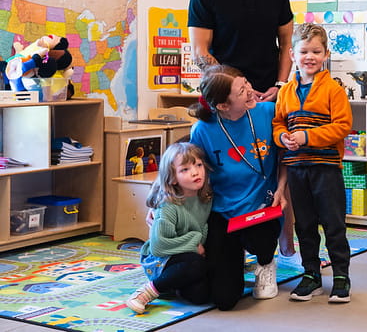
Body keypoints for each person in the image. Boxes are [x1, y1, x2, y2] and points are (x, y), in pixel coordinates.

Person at [188, 65, 288, 310]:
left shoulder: (268, 112)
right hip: (224, 212)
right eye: (242, 90)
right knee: (224, 299)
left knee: (261, 239)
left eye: (247, 84)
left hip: (263, 205)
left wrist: (282, 189)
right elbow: (188, 171)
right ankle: (234, 261)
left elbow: (286, 157)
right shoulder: (202, 130)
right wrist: (162, 203)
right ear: (223, 105)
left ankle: (265, 263)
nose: (251, 91)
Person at [273, 23, 353, 303]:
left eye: (316, 51)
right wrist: (283, 137)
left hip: (326, 168)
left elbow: (342, 125)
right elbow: (278, 122)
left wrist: (308, 136)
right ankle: (311, 274)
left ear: (326, 54)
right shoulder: (286, 91)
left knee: (333, 224)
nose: (310, 56)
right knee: (304, 224)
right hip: (296, 169)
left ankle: (341, 275)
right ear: (293, 55)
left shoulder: (333, 90)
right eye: (304, 51)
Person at [126, 142, 213, 314]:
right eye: (185, 170)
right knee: (195, 263)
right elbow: (159, 247)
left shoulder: (206, 197)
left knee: (202, 295)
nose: (195, 172)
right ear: (173, 178)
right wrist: (195, 242)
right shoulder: (169, 205)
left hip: (188, 257)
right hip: (162, 260)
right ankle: (147, 292)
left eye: (198, 165)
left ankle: (172, 285)